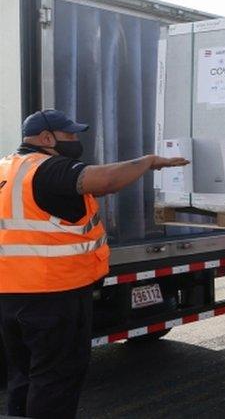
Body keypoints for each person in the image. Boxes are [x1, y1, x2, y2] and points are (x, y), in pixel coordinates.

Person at [0, 109, 188, 418]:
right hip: (52, 296)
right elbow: (106, 181)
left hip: (10, 296)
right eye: (69, 135)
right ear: (47, 139)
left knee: (24, 376)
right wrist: (148, 162)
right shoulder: (48, 169)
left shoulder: (7, 168)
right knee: (55, 380)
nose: (75, 140)